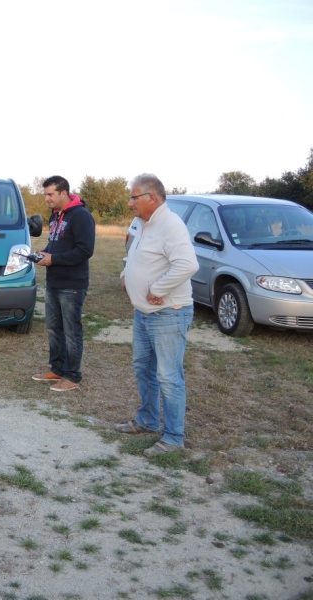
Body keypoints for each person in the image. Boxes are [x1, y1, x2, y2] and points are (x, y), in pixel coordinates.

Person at [116, 173, 199, 457]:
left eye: (134, 197)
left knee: (168, 376)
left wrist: (158, 289)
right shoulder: (143, 222)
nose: (130, 203)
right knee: (142, 368)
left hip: (168, 313)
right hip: (144, 314)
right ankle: (148, 420)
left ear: (152, 198)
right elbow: (135, 254)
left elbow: (188, 265)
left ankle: (174, 437)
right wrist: (127, 273)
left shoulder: (170, 225)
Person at [31, 176, 95, 392]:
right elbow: (57, 243)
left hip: (72, 284)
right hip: (54, 282)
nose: (47, 198)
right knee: (53, 328)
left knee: (71, 331)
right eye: (45, 194)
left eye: (50, 194)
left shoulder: (81, 216)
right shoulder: (55, 215)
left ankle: (72, 376)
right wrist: (45, 252)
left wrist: (54, 259)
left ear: (64, 193)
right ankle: (57, 369)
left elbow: (85, 250)